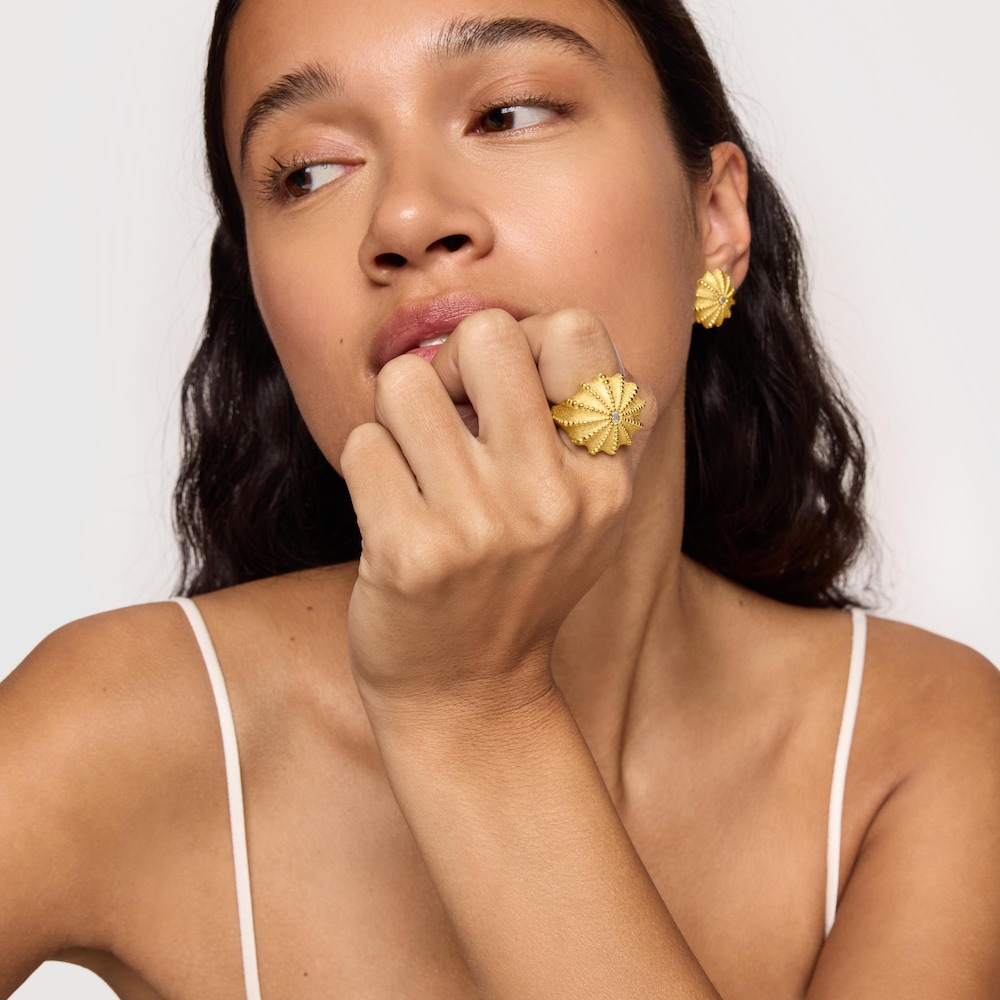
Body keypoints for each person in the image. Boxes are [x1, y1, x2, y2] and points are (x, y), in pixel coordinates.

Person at [2, 0, 999, 997]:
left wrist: (468, 702)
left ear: (713, 218)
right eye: (308, 172)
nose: (404, 219)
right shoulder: (118, 726)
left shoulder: (922, 748)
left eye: (510, 113)